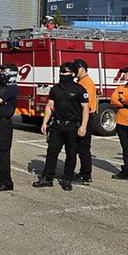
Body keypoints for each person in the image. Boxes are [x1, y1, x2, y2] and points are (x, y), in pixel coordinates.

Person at [33, 62, 89, 191]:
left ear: (73, 74)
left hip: (73, 126)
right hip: (57, 126)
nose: (62, 75)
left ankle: (67, 178)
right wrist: (44, 122)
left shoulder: (80, 89)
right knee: (52, 152)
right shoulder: (55, 89)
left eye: (65, 73)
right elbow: (49, 105)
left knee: (71, 154)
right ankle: (47, 178)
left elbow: (85, 109)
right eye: (61, 72)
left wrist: (83, 126)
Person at [0, 63, 19, 192]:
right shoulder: (2, 86)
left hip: (4, 123)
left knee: (3, 153)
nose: (2, 73)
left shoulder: (13, 88)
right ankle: (2, 178)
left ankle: (7, 182)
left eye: (4, 71)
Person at [73, 59, 97, 183]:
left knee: (83, 147)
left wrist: (83, 124)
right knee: (80, 146)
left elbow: (86, 105)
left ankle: (85, 174)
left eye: (75, 68)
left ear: (81, 68)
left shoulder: (86, 83)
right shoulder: (81, 82)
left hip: (86, 117)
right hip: (81, 117)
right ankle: (83, 172)